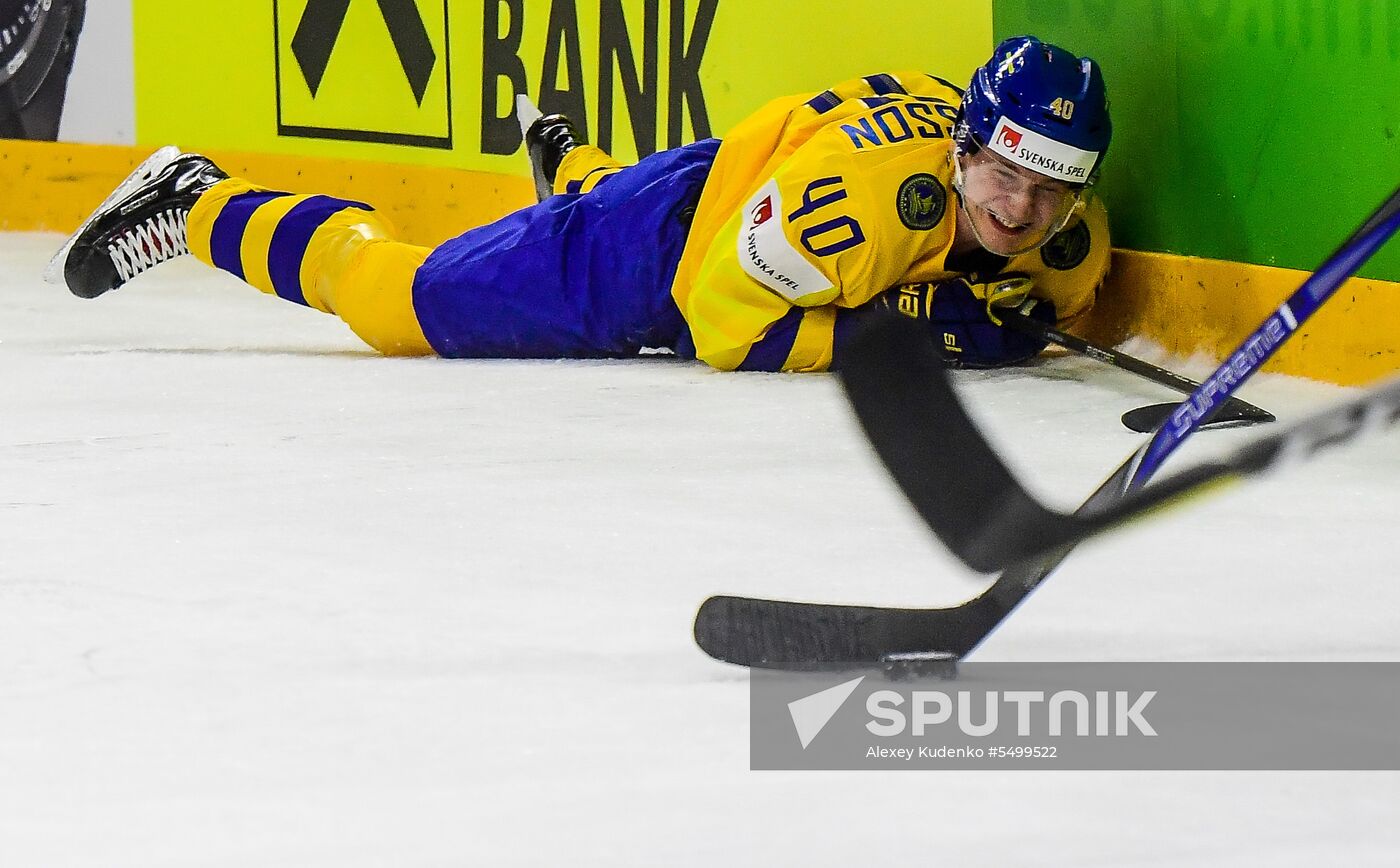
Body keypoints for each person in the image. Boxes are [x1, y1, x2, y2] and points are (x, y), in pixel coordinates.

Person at [48, 35, 1111, 373]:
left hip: (725, 192)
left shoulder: (1066, 233)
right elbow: (718, 323)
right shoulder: (855, 206)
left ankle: (575, 167)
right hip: (664, 250)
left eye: (1048, 187)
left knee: (624, 199)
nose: (1019, 211)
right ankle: (197, 202)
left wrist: (975, 322)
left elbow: (1035, 294)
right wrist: (920, 339)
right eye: (1001, 176)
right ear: (963, 147)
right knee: (400, 302)